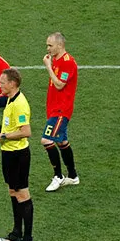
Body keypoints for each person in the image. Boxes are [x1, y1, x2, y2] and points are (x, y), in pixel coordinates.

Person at [0, 68, 34, 241]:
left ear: (12, 84)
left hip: (18, 155)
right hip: (9, 154)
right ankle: (16, 232)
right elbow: (9, 124)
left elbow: (26, 131)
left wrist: (1, 137)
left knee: (22, 194)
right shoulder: (11, 99)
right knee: (13, 192)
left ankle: (27, 238)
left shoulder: (20, 104)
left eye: (2, 82)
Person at [41, 32, 80, 192]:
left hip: (61, 110)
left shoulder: (67, 62)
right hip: (53, 108)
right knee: (61, 142)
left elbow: (59, 85)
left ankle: (58, 176)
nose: (47, 48)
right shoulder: (56, 59)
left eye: (50, 45)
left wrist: (48, 67)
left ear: (60, 45)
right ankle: (73, 176)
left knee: (46, 140)